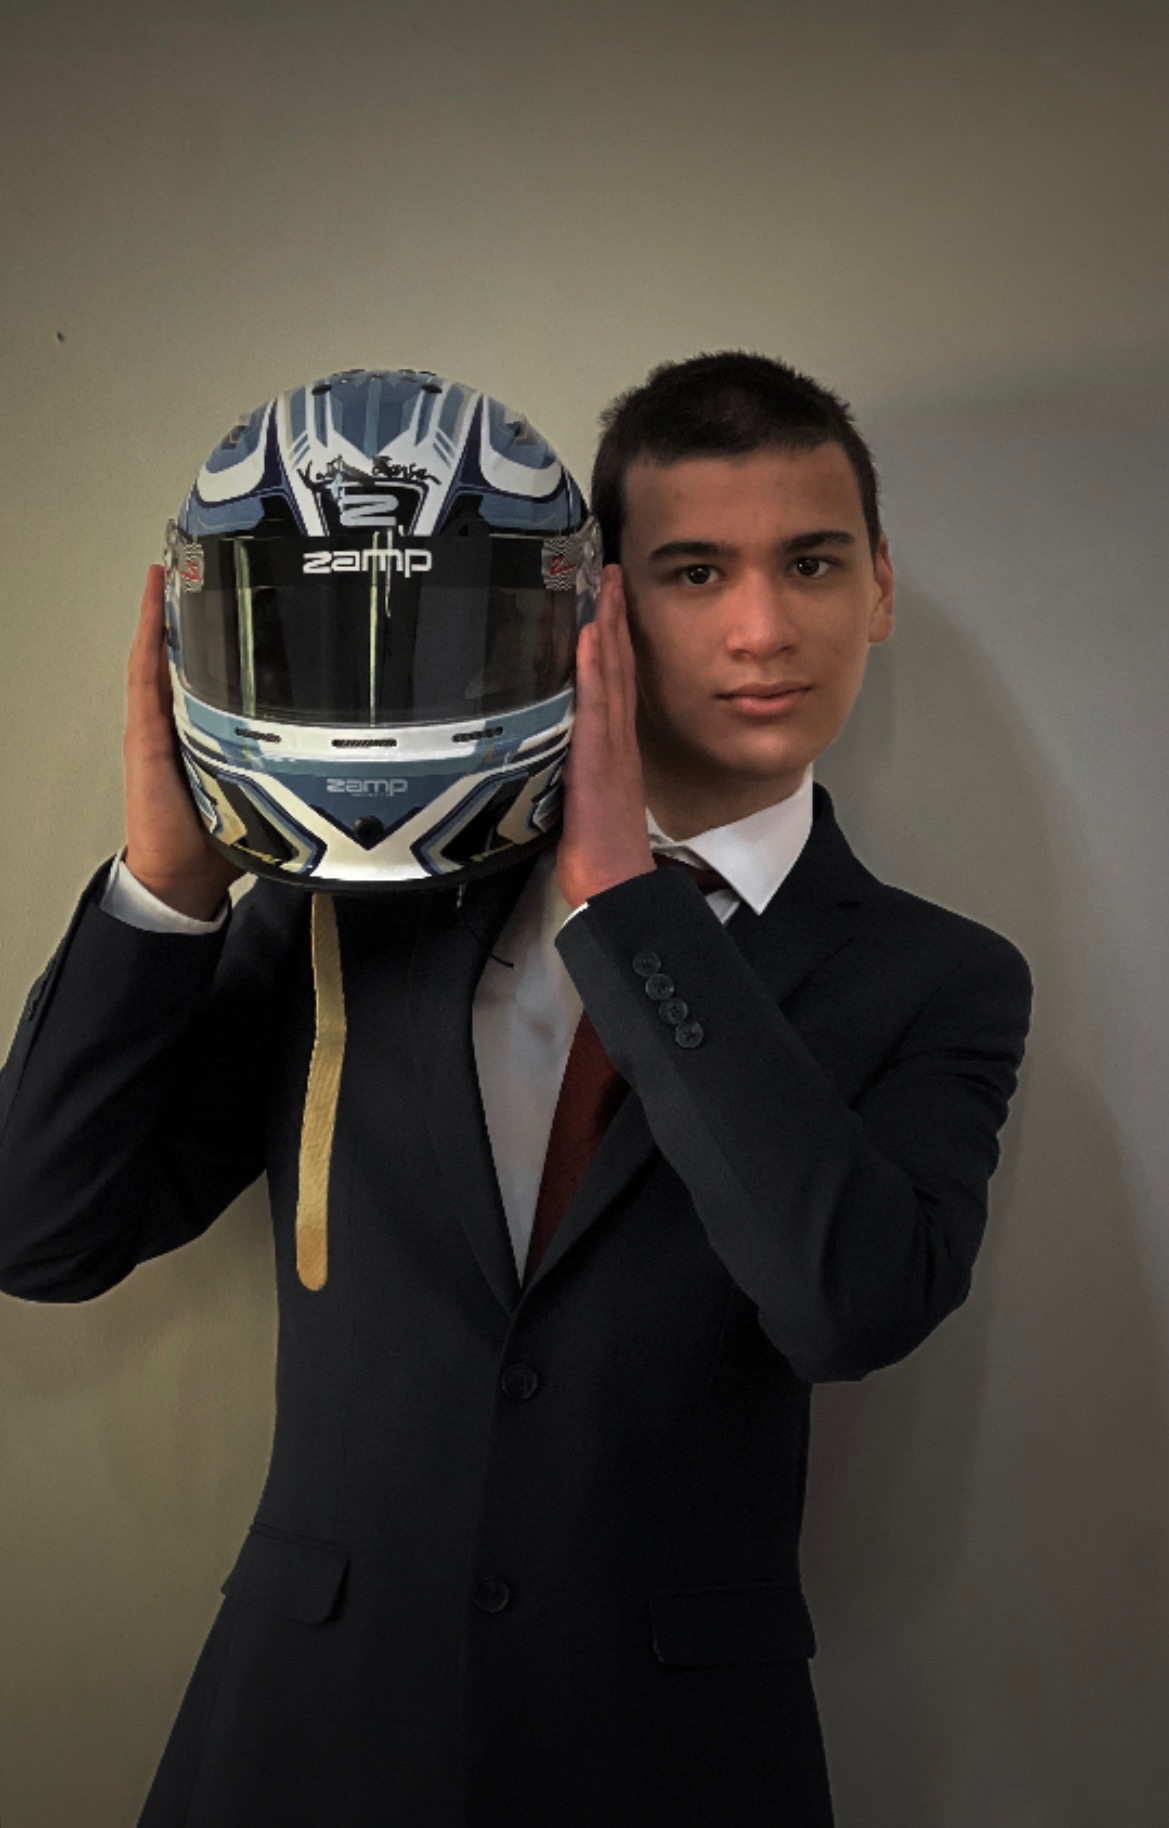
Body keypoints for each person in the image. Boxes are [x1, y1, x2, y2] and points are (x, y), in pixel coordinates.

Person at [0, 351, 1032, 1827]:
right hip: (301, 1741)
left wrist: (628, 906)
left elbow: (850, 1308)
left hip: (671, 1765)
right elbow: (40, 1232)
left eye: (810, 563)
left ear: (878, 585)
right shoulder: (359, 903)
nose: (762, 629)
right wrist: (169, 890)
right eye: (692, 572)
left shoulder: (940, 977)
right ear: (595, 608)